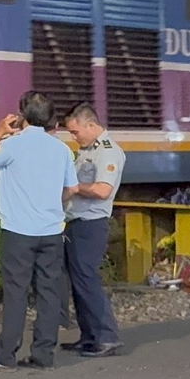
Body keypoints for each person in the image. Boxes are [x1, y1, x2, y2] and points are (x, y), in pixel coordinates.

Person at [0, 91, 76, 370]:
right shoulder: (62, 149)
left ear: (22, 116)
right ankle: (44, 355)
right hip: (52, 231)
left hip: (18, 232)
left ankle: (5, 355)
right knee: (48, 292)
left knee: (16, 292)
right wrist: (53, 205)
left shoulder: (12, 145)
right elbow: (72, 189)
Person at [59, 104, 122, 359]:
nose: (73, 137)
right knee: (78, 281)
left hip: (91, 224)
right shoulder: (87, 151)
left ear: (90, 125)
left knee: (87, 279)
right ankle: (89, 337)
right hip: (76, 222)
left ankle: (106, 336)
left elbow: (103, 190)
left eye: (75, 132)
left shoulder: (108, 152)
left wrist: (74, 188)